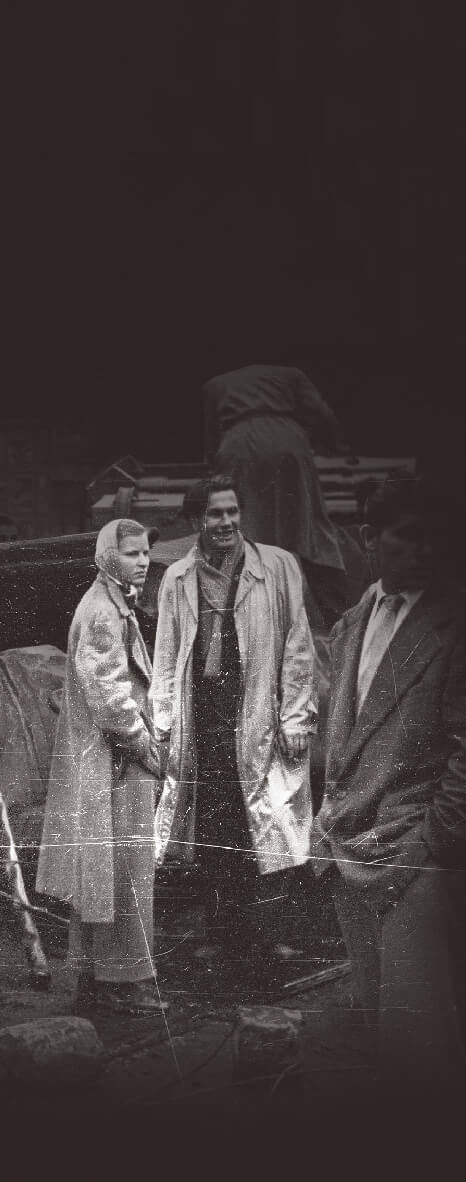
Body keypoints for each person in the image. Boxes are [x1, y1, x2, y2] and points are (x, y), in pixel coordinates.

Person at [311, 477, 466, 1098]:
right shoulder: (353, 621)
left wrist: (434, 839)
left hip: (413, 846)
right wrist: (327, 814)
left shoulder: (455, 619)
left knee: (418, 1042)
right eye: (409, 537)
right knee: (377, 1019)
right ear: (371, 540)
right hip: (351, 840)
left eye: (436, 537)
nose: (424, 550)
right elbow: (343, 729)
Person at [151, 474, 317, 986]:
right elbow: (164, 655)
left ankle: (266, 939)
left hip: (259, 713)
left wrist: (296, 715)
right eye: (213, 514)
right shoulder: (178, 577)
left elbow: (297, 645)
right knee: (213, 828)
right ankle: (220, 937)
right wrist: (162, 725)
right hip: (204, 716)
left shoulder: (277, 566)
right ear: (196, 519)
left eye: (231, 512)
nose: (225, 523)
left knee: (267, 829)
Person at [35, 519, 166, 1013]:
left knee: (106, 877)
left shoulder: (113, 605)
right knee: (122, 876)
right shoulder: (102, 613)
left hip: (110, 763)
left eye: (145, 552)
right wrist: (145, 745)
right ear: (107, 555)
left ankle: (100, 978)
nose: (143, 560)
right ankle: (121, 982)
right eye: (131, 553)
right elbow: (110, 698)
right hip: (114, 764)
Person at [203, 364, 367, 629]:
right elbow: (321, 413)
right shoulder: (291, 375)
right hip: (287, 439)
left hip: (239, 444)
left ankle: (243, 619)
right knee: (309, 527)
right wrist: (339, 445)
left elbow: (211, 434)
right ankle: (339, 618)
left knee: (244, 526)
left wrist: (213, 464)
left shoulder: (216, 382)